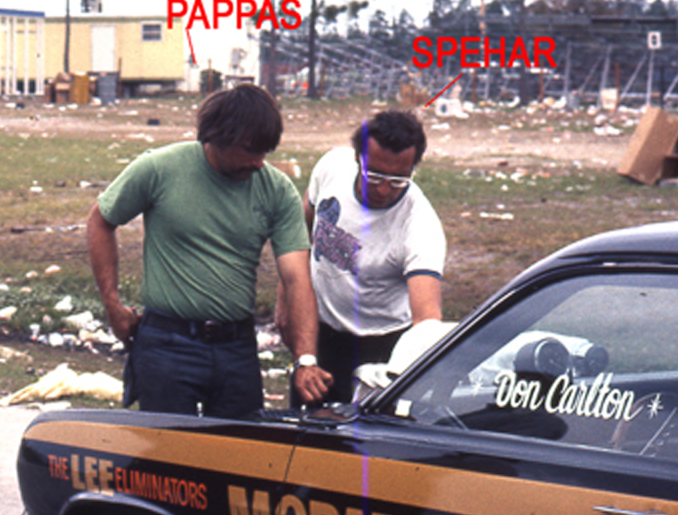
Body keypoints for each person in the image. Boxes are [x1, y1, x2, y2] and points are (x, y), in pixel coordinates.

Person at [87, 83, 319, 419]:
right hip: (166, 344)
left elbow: (298, 279)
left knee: (236, 452)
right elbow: (100, 220)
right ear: (215, 137)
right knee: (166, 458)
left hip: (236, 348)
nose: (257, 163)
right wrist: (112, 304)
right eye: (248, 150)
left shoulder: (277, 191)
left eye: (265, 152)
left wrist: (306, 359)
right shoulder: (160, 169)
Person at [289, 108, 446, 407]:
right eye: (374, 175)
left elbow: (427, 322)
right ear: (357, 158)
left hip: (382, 345)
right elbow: (298, 235)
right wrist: (289, 301)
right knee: (306, 435)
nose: (384, 189)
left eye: (399, 179)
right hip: (321, 332)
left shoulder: (420, 227)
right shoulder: (331, 167)